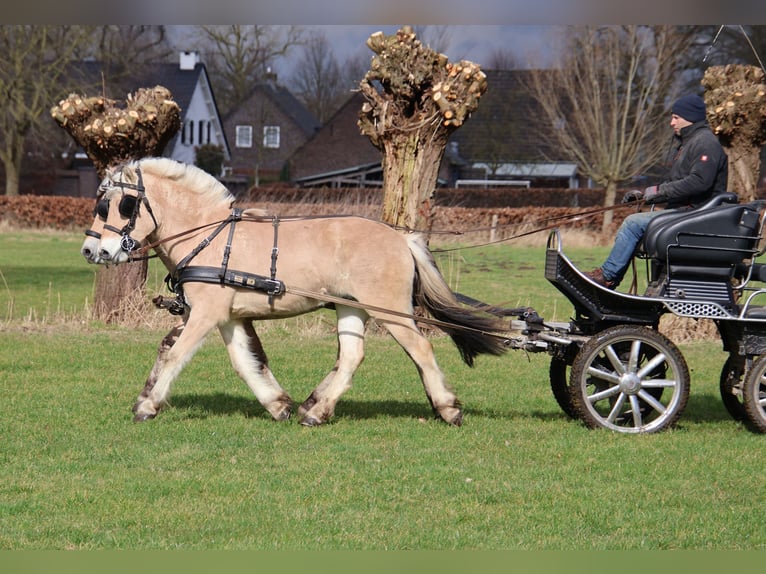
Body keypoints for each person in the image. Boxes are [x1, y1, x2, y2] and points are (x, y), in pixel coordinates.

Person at [586, 93, 729, 288]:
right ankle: (610, 281)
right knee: (635, 223)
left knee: (632, 223)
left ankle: (608, 277)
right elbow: (675, 184)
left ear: (691, 118)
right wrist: (645, 196)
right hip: (685, 212)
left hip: (694, 215)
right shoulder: (689, 143)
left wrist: (657, 192)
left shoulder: (705, 143)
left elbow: (698, 182)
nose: (672, 122)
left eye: (676, 117)